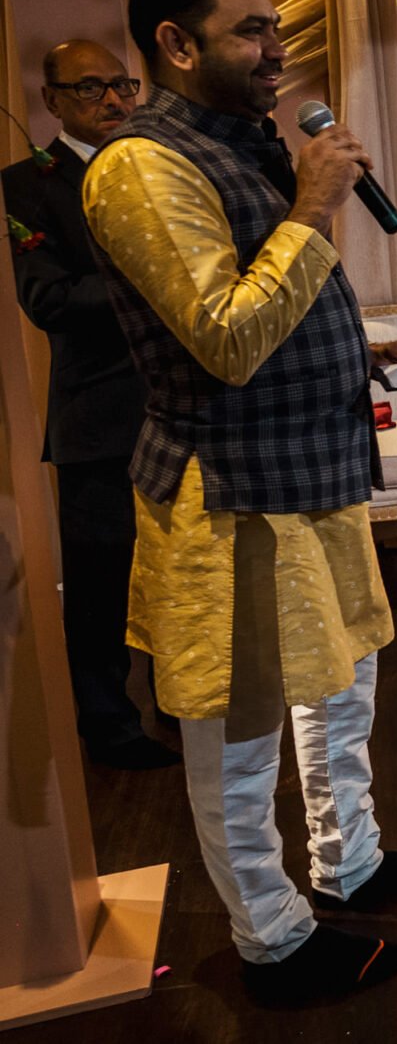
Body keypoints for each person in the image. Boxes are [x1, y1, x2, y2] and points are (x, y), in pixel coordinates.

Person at [82, 0, 397, 1002]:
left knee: (339, 687)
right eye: (249, 30)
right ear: (175, 42)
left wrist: (369, 351)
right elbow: (225, 339)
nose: (275, 53)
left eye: (277, 31)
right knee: (241, 728)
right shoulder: (142, 166)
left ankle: (352, 860)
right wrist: (312, 207)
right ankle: (274, 941)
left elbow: (277, 314)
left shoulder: (243, 148)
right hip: (230, 495)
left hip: (314, 469)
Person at [3, 40, 179, 769]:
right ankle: (108, 729)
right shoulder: (25, 187)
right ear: (52, 101)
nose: (114, 101)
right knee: (102, 584)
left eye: (123, 85)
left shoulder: (163, 168)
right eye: (92, 89)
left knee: (180, 574)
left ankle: (184, 704)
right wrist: (161, 281)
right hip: (98, 420)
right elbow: (50, 300)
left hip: (182, 409)